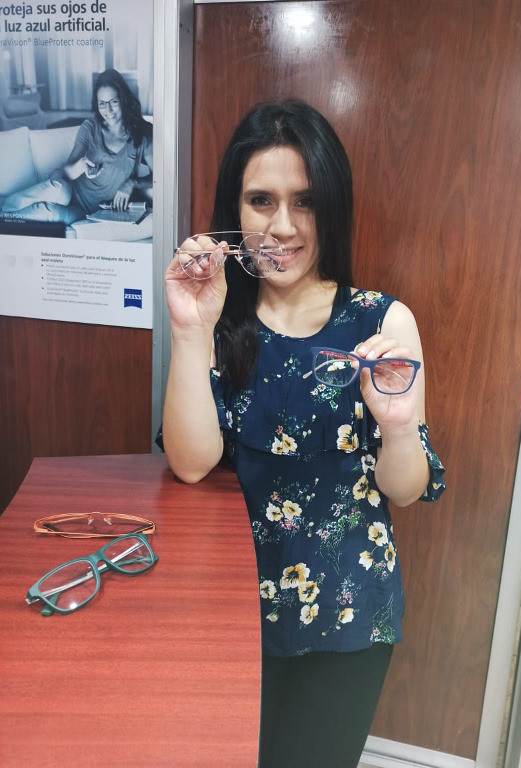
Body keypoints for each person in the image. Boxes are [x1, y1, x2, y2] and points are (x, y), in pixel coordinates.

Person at [160, 99, 445, 768]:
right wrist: (190, 331)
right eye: (261, 201)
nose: (282, 226)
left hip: (347, 616)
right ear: (234, 208)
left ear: (332, 207)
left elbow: (405, 489)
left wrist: (398, 428)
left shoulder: (382, 323)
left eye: (306, 202)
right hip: (229, 608)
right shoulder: (218, 315)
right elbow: (192, 464)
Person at [1, 69, 152, 225]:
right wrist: (80, 167)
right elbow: (67, 171)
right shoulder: (90, 128)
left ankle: (4, 217)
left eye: (114, 102)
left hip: (86, 211)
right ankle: (6, 205)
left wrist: (132, 183)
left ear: (124, 99)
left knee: (48, 212)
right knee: (61, 192)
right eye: (102, 103)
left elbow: (159, 177)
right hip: (69, 190)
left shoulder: (143, 132)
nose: (108, 110)